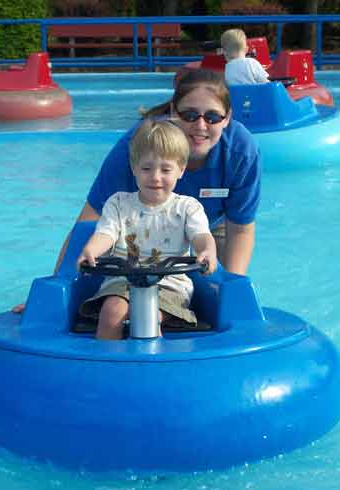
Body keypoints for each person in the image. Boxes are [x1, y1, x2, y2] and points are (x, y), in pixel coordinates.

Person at [13, 69, 261, 313]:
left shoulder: (240, 151)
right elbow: (90, 220)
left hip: (206, 227)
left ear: (227, 118)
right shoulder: (141, 145)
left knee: (215, 296)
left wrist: (231, 294)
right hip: (140, 227)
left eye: (212, 117)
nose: (200, 126)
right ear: (174, 113)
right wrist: (57, 291)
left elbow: (240, 228)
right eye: (189, 115)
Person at [76, 118, 217, 340]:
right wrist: (92, 250)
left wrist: (207, 250)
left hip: (170, 286)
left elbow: (201, 235)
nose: (155, 177)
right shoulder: (119, 203)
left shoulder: (187, 207)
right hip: (122, 282)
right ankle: (109, 364)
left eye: (165, 169)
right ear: (134, 168)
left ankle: (153, 365)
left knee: (149, 317)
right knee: (111, 312)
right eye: (146, 168)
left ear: (181, 169)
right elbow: (106, 233)